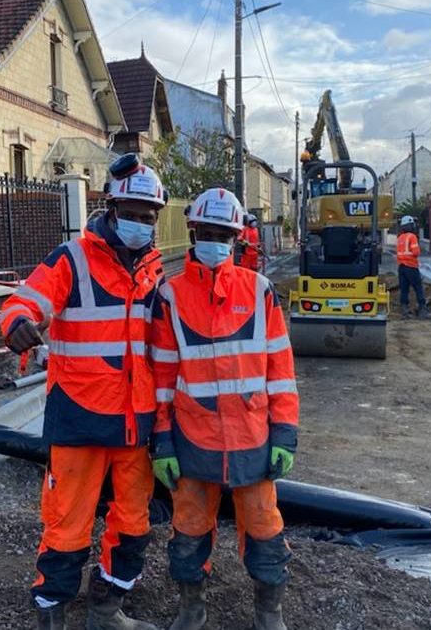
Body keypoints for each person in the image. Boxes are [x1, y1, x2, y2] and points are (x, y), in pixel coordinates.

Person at [0, 153, 166, 630]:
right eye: (132, 214)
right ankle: (52, 615)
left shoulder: (154, 270)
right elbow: (26, 299)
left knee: (134, 525)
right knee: (66, 525)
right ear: (111, 209)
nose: (140, 223)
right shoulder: (72, 259)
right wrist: (17, 324)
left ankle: (106, 611)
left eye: (148, 216)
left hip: (135, 419)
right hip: (78, 414)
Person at [149, 187, 299, 630]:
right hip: (193, 440)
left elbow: (280, 367)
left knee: (265, 530)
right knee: (189, 531)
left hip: (253, 438)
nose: (215, 241)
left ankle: (268, 615)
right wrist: (162, 442)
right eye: (207, 232)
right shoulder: (171, 297)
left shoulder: (259, 292)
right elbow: (161, 378)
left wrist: (285, 431)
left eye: (224, 234)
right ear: (193, 232)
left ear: (237, 238)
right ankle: (191, 610)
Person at [396, 215, 431, 319]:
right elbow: (416, 252)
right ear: (409, 225)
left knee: (404, 289)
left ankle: (405, 309)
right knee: (418, 287)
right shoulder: (412, 237)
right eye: (412, 224)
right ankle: (422, 309)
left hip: (401, 267)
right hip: (411, 266)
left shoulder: (400, 238)